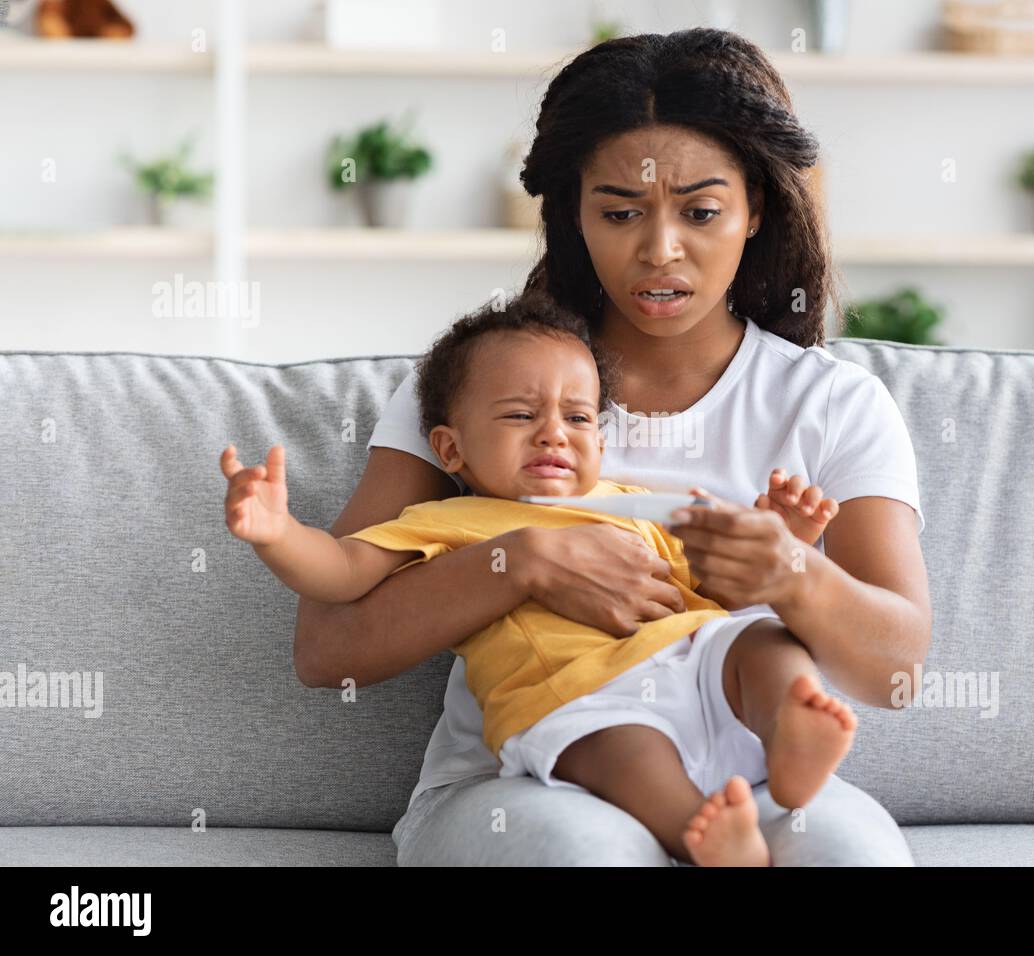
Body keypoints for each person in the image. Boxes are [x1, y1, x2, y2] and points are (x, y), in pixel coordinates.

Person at [294, 27, 931, 866]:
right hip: (522, 780)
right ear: (573, 213)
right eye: (620, 212)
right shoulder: (480, 389)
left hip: (752, 776)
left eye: (701, 212)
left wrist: (794, 575)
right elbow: (326, 649)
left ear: (756, 208)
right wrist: (519, 562)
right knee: (592, 855)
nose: (659, 250)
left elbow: (896, 674)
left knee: (851, 853)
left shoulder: (833, 403)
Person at [223, 293, 856, 866]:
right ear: (450, 451)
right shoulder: (448, 520)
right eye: (521, 414)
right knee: (624, 751)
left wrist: (779, 540)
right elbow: (340, 573)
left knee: (764, 642)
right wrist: (279, 533)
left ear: (601, 445)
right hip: (579, 697)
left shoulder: (634, 504)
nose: (554, 431)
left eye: (579, 419)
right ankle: (705, 833)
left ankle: (788, 738)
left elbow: (720, 591)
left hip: (692, 666)